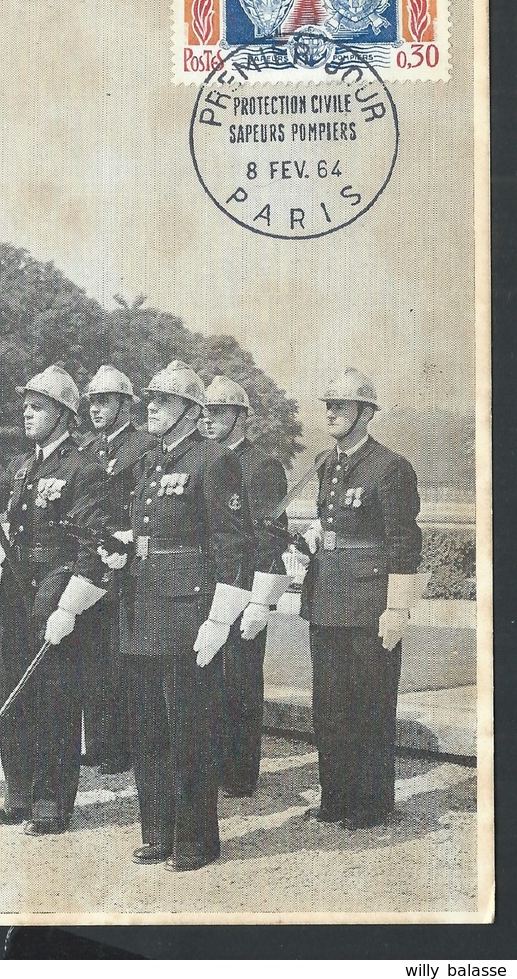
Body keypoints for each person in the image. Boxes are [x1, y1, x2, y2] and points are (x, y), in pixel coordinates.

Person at [101, 360, 258, 872]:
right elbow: (148, 531)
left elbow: (234, 545)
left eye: (162, 401)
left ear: (190, 411)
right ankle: (157, 830)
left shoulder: (213, 461)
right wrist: (122, 550)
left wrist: (219, 619)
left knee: (191, 731)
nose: (150, 407)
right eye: (148, 400)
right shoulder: (150, 462)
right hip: (142, 611)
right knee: (147, 729)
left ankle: (195, 839)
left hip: (188, 616)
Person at [0, 364, 106, 835]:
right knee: (13, 693)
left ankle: (51, 801)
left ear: (63, 414)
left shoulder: (84, 469)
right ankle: (18, 791)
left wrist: (69, 605)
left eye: (37, 407)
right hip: (17, 588)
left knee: (55, 699)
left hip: (56, 587)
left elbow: (91, 548)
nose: (26, 413)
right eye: (25, 406)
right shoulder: (24, 467)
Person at [300, 368, 423, 830]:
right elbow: (329, 527)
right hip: (327, 597)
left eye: (343, 406)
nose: (332, 413)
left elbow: (403, 542)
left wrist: (397, 607)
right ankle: (336, 798)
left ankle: (371, 804)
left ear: (366, 414)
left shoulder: (390, 467)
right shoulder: (324, 462)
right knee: (329, 706)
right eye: (328, 406)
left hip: (370, 603)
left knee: (369, 706)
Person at [203, 375, 288, 797]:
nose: (210, 419)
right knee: (207, 682)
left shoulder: (262, 467)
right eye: (205, 411)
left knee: (238, 683)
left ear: (241, 417)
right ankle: (211, 764)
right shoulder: (203, 461)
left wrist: (261, 602)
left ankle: (238, 773)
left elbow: (271, 537)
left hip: (246, 589)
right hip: (209, 589)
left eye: (219, 411)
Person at [78, 365, 150, 775]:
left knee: (119, 657)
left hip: (125, 563)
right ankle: (99, 742)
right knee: (92, 657)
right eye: (92, 402)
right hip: (92, 558)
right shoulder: (89, 449)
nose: (96, 409)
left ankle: (122, 746)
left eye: (104, 401)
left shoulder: (142, 447)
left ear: (125, 404)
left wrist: (127, 538)